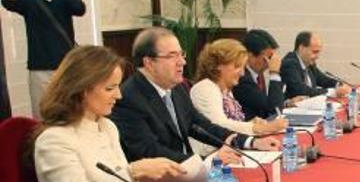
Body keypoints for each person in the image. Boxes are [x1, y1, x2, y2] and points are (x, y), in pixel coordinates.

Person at [34, 46, 186, 182]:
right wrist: (134, 172)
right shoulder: (54, 140)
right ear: (82, 89)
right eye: (110, 88)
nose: (119, 95)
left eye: (118, 86)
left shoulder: (107, 127)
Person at [110, 28, 279, 165]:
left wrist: (250, 142)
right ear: (149, 63)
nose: (182, 62)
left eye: (181, 54)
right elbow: (150, 152)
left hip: (190, 175)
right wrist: (208, 161)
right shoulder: (128, 98)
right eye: (172, 56)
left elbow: (202, 126)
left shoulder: (175, 89)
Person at [2, 0, 86, 118]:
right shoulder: (29, 0)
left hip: (67, 68)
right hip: (39, 69)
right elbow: (7, 0)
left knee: (72, 112)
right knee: (42, 115)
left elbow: (80, 9)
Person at [190, 39, 287, 156]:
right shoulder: (205, 88)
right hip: (211, 157)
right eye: (237, 67)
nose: (242, 73)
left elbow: (231, 123)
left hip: (230, 151)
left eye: (243, 67)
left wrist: (250, 123)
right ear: (219, 65)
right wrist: (261, 128)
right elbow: (219, 125)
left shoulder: (226, 90)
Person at [233, 29, 288, 120]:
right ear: (249, 56)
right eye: (268, 57)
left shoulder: (258, 74)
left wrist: (286, 103)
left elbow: (266, 103)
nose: (270, 62)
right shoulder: (242, 79)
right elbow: (274, 109)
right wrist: (274, 74)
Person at [279, 31, 351, 99]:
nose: (317, 56)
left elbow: (323, 80)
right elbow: (302, 90)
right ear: (301, 48)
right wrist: (333, 92)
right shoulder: (289, 64)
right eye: (315, 52)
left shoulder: (308, 63)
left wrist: (339, 85)